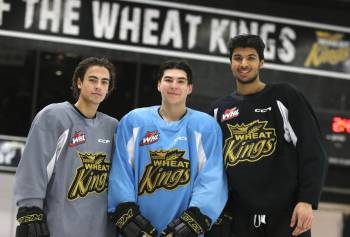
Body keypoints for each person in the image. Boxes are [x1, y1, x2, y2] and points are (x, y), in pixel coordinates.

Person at [208, 34, 328, 237]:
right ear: (230, 63)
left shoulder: (284, 96)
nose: (244, 63)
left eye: (251, 58)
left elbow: (313, 150)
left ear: (261, 62)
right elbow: (210, 167)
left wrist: (307, 200)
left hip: (285, 218)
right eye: (238, 58)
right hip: (237, 220)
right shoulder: (218, 110)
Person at [107, 60, 228, 237]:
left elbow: (212, 180)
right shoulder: (134, 121)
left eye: (181, 81)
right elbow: (120, 174)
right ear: (159, 85)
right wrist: (131, 223)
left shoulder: (206, 127)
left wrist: (189, 225)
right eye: (168, 80)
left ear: (189, 88)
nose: (174, 86)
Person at [14, 57, 118, 237]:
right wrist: (30, 211)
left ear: (109, 88)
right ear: (79, 82)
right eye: (92, 80)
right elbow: (34, 167)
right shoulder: (54, 116)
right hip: (59, 228)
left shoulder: (112, 127)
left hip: (100, 230)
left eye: (104, 82)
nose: (98, 86)